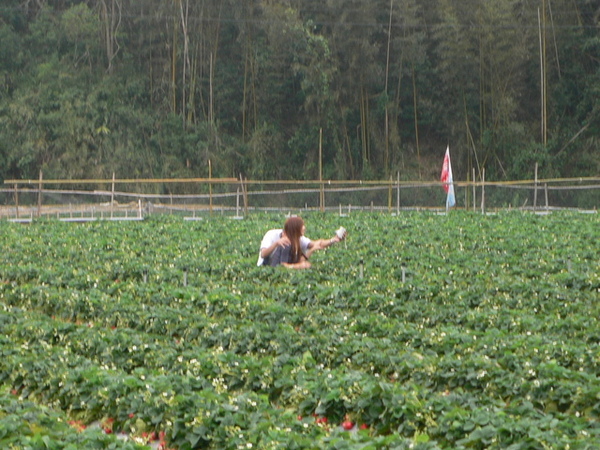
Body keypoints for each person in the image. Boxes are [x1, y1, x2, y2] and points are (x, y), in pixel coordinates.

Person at [257, 216, 346, 269]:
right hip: (265, 265)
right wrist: (299, 266)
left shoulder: (298, 239)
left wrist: (333, 240)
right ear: (295, 229)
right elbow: (281, 266)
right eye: (302, 226)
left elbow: (317, 244)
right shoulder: (279, 240)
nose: (304, 228)